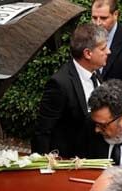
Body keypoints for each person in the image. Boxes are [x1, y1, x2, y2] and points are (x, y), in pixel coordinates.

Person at [31, 23, 110, 157]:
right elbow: (43, 131)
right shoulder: (60, 83)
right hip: (69, 162)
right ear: (88, 53)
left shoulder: (96, 74)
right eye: (103, 49)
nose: (108, 51)